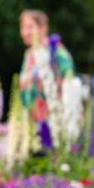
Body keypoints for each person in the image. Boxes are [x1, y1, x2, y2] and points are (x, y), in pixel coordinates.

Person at [17, 9, 79, 150]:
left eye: (30, 27)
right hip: (32, 124)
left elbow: (69, 84)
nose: (25, 32)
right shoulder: (28, 54)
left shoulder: (56, 51)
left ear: (43, 28)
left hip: (55, 123)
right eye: (23, 27)